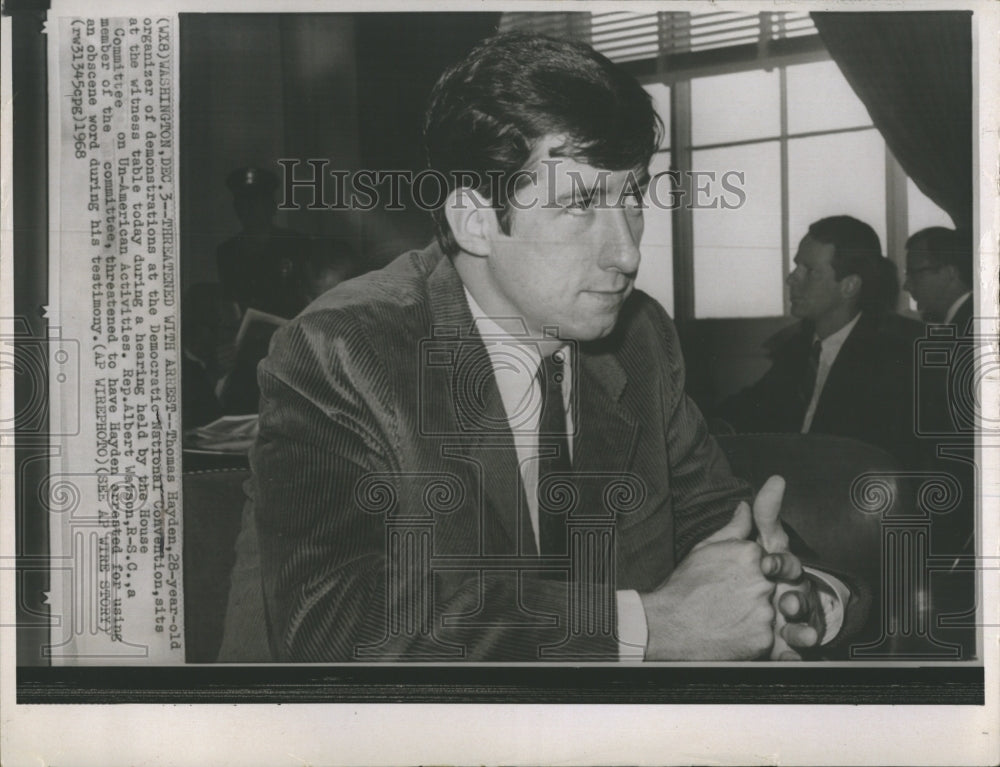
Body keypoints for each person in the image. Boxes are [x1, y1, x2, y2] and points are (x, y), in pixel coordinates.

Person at [248, 34, 860, 663]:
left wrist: (802, 594)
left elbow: (711, 511)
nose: (626, 254)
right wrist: (646, 626)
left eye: (632, 198)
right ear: (476, 220)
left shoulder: (639, 337)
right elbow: (328, 623)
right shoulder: (341, 350)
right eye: (579, 205)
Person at [716, 216, 923, 468]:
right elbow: (749, 409)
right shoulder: (797, 348)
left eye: (810, 271)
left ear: (849, 286)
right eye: (796, 267)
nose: (791, 279)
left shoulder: (895, 361)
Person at [216, 166, 313, 319]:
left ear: (272, 207)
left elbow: (310, 296)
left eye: (257, 204)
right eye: (244, 204)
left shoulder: (296, 243)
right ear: (237, 209)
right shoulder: (227, 252)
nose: (250, 211)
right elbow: (230, 304)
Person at [903, 226, 973, 328]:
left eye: (914, 274)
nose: (906, 286)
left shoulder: (972, 327)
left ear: (950, 273)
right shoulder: (968, 319)